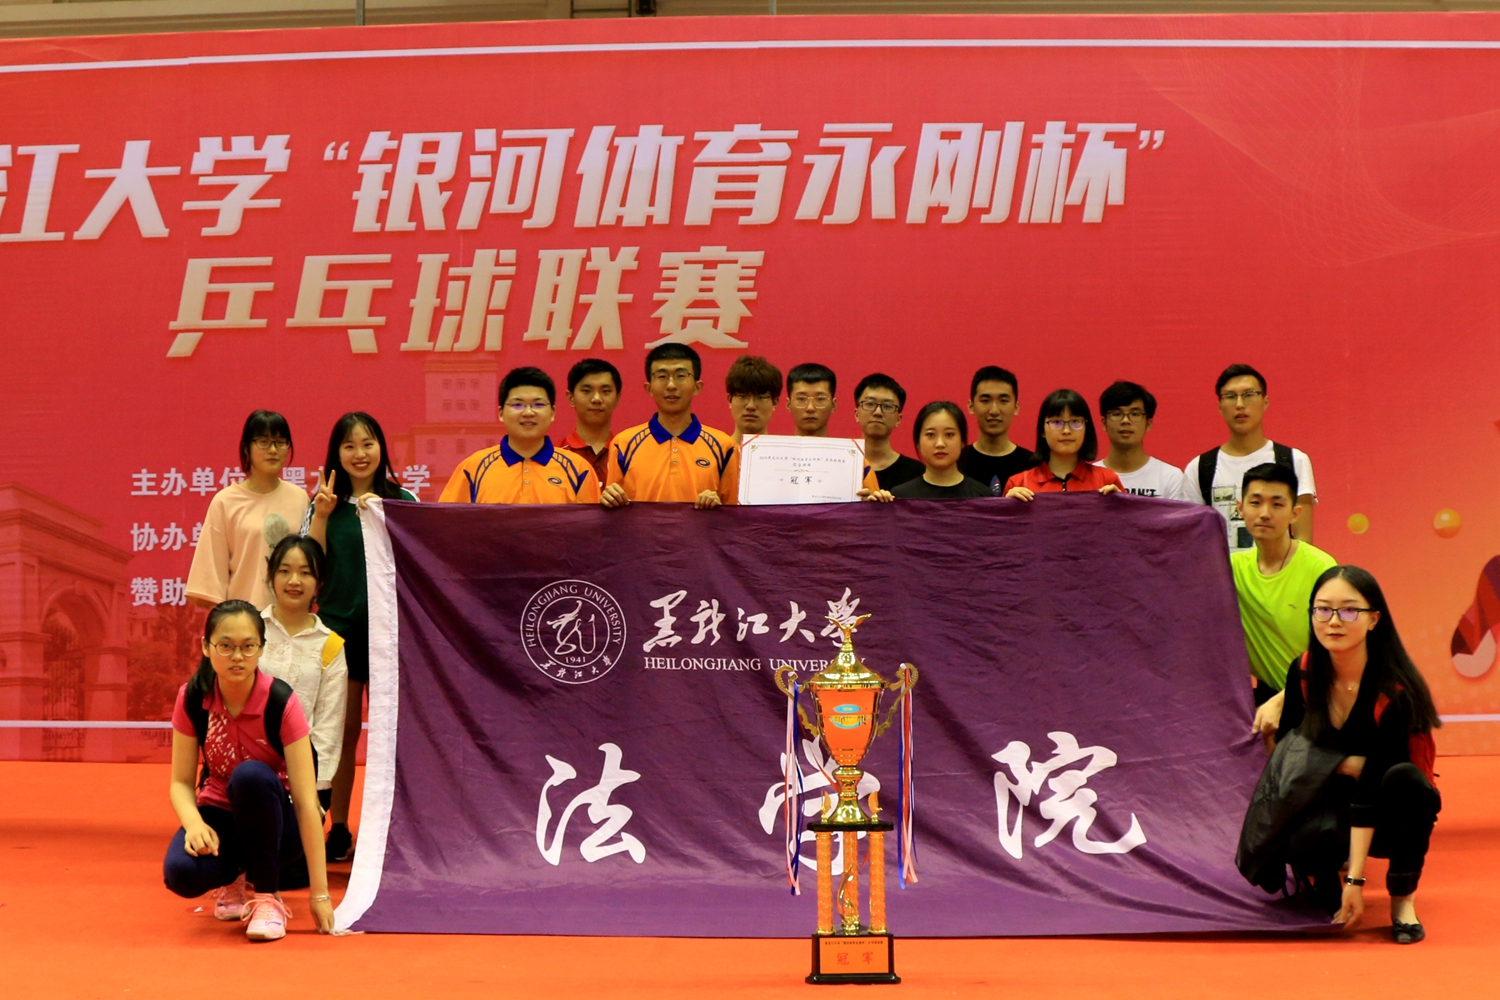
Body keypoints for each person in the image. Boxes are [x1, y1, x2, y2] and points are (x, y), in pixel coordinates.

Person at [1250, 566, 1442, 943]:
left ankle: (1403, 901)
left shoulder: (1395, 689)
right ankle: (1323, 881)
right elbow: (1292, 749)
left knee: (1404, 781)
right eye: (1323, 609)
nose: (1334, 621)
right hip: (1331, 795)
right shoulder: (1304, 671)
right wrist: (1342, 764)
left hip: (1387, 807)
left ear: (1374, 619)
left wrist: (1355, 880)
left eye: (1350, 610)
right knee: (1296, 812)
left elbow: (1373, 785)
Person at [163, 600, 335, 940]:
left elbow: (305, 801)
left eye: (248, 646)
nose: (237, 657)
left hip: (278, 825)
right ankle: (235, 876)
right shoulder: (192, 698)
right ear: (206, 647)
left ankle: (268, 897)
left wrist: (320, 894)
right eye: (225, 646)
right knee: (181, 873)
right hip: (222, 815)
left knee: (250, 775)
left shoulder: (281, 702)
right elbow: (181, 782)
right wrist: (194, 824)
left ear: (261, 649)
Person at [306, 412, 417, 863]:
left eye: (367, 443)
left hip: (392, 636)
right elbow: (311, 566)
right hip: (340, 634)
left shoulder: (403, 500)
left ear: (382, 448)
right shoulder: (324, 503)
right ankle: (339, 827)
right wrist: (322, 515)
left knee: (396, 736)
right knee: (343, 733)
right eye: (349, 446)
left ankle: (396, 830)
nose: (359, 454)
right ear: (337, 453)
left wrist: (385, 516)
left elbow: (418, 564)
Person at [1231, 464, 1337, 704]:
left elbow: (1339, 652)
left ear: (1295, 513)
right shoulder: (1231, 570)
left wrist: (1284, 701)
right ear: (1240, 508)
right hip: (1270, 696)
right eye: (1255, 503)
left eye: (1277, 505)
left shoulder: (1320, 568)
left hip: (1322, 698)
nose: (1265, 513)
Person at [1184, 364, 1316, 551]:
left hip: (1278, 569)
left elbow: (1304, 539)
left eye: (1249, 395)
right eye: (1230, 396)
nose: (1239, 404)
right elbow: (1193, 540)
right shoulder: (1199, 468)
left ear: (1265, 401)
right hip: (1221, 570)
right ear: (1220, 406)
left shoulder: (1294, 461)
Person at [186, 410, 309, 610]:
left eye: (280, 442)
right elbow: (210, 581)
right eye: (263, 442)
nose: (273, 450)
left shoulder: (300, 498)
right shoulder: (225, 502)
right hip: (244, 621)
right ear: (246, 448)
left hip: (291, 619)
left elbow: (310, 566)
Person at [259, 535, 347, 805]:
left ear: (320, 582)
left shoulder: (330, 645)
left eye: (305, 573)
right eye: (285, 571)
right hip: (248, 770)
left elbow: (329, 725)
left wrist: (314, 785)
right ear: (271, 576)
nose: (294, 581)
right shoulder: (251, 631)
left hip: (306, 780)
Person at [601, 344, 739, 509]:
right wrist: (609, 499)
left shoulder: (724, 446)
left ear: (697, 387)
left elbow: (734, 515)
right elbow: (615, 511)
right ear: (649, 388)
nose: (671, 385)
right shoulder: (623, 444)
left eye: (681, 376)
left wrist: (717, 507)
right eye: (662, 376)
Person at [440, 367, 602, 505]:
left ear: (552, 413)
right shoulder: (473, 468)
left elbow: (592, 528)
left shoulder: (578, 470)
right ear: (501, 413)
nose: (528, 413)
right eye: (517, 404)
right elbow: (447, 524)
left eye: (538, 404)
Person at [1003, 390, 1123, 499]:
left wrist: (1120, 505)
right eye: (1056, 422)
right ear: (1042, 430)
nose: (1066, 430)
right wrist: (1008, 507)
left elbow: (1128, 516)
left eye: (1075, 421)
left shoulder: (1106, 480)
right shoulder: (1019, 483)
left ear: (1086, 428)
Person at [786, 362, 879, 491]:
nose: (810, 408)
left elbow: (873, 503)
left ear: (834, 405)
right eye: (801, 399)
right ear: (788, 405)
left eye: (820, 399)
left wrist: (873, 500)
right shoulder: (767, 459)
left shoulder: (857, 465)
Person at [871, 402, 991, 499]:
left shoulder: (982, 496)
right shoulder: (900, 496)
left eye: (949, 434)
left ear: (962, 442)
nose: (940, 444)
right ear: (918, 442)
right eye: (930, 434)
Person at [1096, 381, 1189, 499]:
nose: (1125, 421)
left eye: (1135, 414)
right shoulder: (1088, 478)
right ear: (1104, 423)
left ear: (1148, 424)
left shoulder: (1170, 477)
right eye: (1117, 414)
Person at [958, 366, 1035, 495]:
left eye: (1003, 401)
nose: (994, 410)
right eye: (985, 400)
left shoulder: (1033, 465)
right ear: (971, 406)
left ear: (1016, 407)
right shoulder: (956, 463)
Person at [854, 373, 924, 491]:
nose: (878, 412)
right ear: (856, 414)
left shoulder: (918, 473)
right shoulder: (841, 466)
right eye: (870, 404)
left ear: (898, 419)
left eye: (887, 406)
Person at [558, 358, 621, 486]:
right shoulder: (554, 455)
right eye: (586, 391)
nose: (596, 399)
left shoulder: (628, 455)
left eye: (606, 391)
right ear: (571, 398)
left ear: (617, 398)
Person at [724, 354, 783, 443]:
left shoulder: (783, 452)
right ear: (729, 400)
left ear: (775, 402)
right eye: (742, 396)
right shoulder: (716, 451)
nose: (750, 406)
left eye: (760, 397)